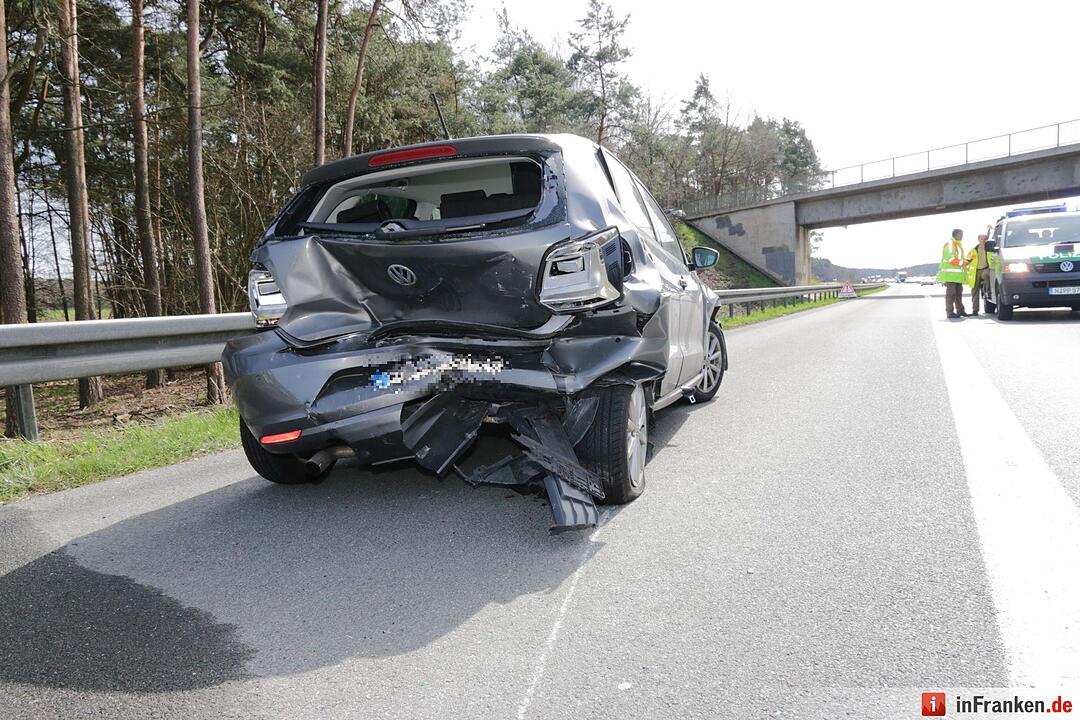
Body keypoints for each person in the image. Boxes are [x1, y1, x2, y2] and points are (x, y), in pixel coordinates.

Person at [937, 229, 968, 318]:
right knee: (951, 294)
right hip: (950, 275)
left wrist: (965, 262)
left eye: (962, 234)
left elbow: (958, 259)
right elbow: (950, 259)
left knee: (958, 293)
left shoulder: (958, 245)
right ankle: (950, 312)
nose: (962, 236)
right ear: (955, 235)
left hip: (957, 276)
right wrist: (963, 263)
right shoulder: (950, 244)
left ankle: (960, 311)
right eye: (960, 234)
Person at [965, 231, 992, 315]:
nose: (983, 240)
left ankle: (988, 292)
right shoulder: (973, 251)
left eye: (985, 239)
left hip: (986, 269)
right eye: (982, 239)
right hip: (976, 272)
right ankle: (975, 310)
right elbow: (967, 260)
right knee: (974, 291)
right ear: (978, 239)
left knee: (986, 275)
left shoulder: (990, 249)